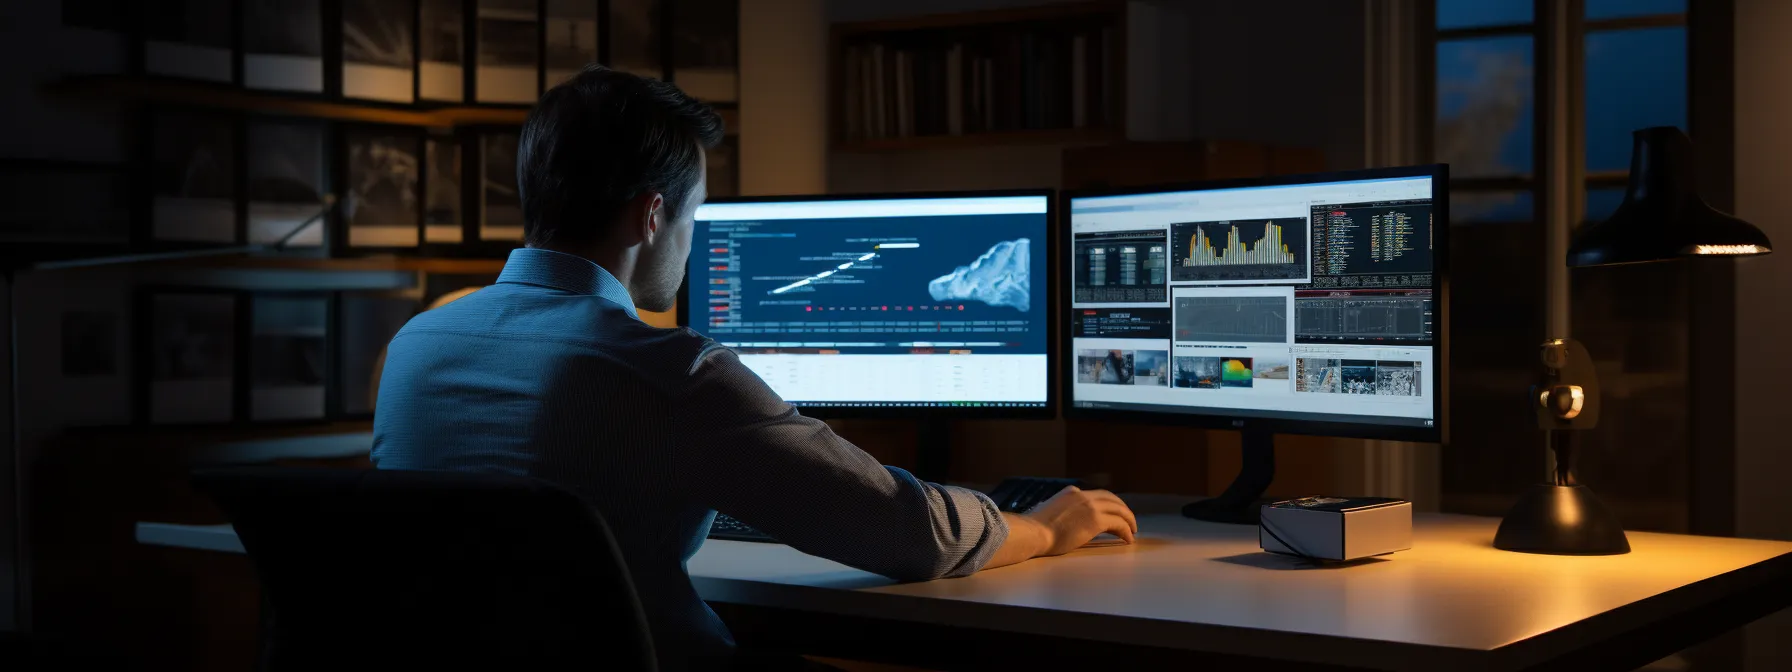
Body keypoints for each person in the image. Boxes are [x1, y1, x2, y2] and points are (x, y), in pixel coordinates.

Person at [370, 65, 1138, 669]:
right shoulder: (671, 373)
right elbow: (909, 534)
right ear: (651, 215)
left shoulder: (415, 346)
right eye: (694, 214)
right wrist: (1042, 526)